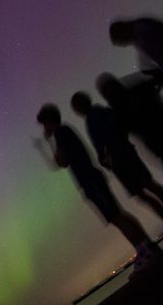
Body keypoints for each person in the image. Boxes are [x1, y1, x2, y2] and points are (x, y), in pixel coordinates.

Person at [36, 104, 160, 265]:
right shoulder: (65, 131)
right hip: (93, 178)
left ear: (48, 120)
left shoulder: (61, 132)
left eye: (44, 123)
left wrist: (49, 142)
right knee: (118, 215)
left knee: (116, 217)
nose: (44, 127)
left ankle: (144, 250)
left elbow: (61, 162)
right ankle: (146, 247)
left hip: (90, 180)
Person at [72, 91, 163, 220]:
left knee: (146, 190)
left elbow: (104, 140)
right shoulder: (101, 112)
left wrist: (106, 156)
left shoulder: (94, 117)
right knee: (148, 188)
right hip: (124, 157)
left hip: (122, 160)